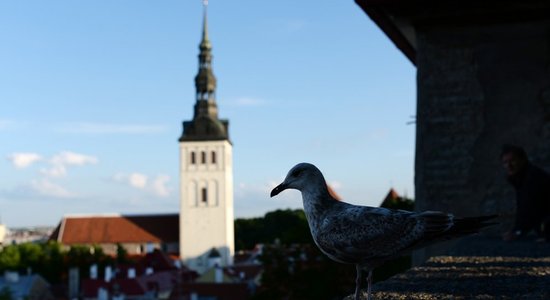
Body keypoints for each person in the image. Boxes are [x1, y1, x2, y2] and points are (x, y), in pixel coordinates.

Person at [501, 145, 550, 242]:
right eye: (505, 162)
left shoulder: (532, 178)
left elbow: (528, 208)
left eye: (513, 161)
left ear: (522, 160)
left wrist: (517, 232)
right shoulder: (521, 178)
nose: (509, 165)